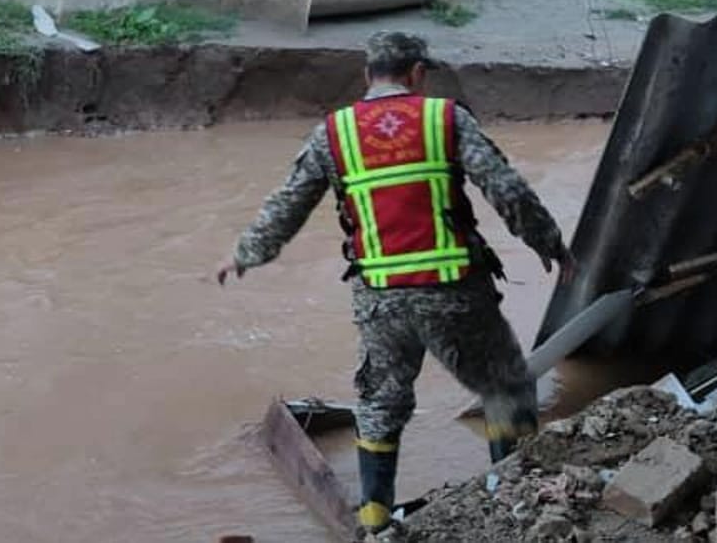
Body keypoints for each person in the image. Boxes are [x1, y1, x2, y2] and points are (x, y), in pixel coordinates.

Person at [216, 31, 574, 535]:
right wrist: (550, 244)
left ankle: (375, 519)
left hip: (380, 298)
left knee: (380, 404)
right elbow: (508, 190)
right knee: (505, 386)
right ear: (417, 74)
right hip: (454, 290)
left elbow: (288, 204)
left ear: (368, 75)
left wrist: (244, 254)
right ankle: (512, 500)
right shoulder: (444, 119)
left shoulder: (333, 133)